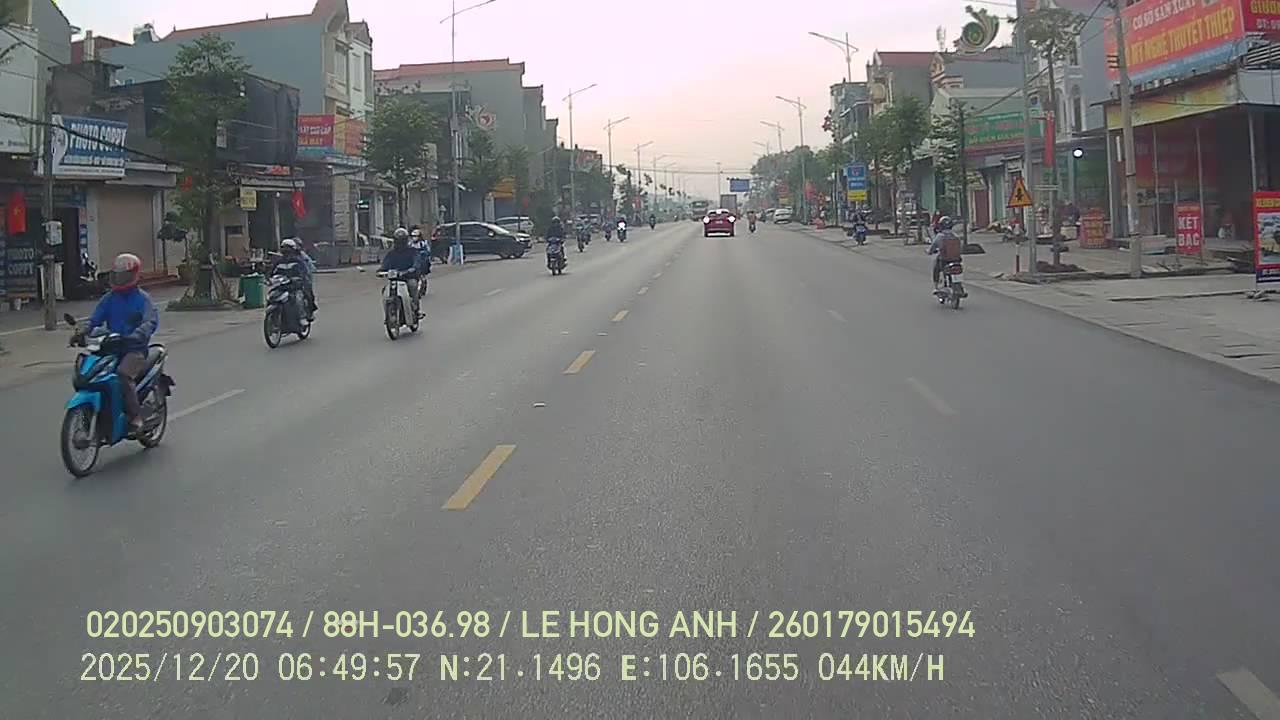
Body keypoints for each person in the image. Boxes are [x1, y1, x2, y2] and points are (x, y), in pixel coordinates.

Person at [85, 253, 159, 435]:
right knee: (90, 373)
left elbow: (150, 321)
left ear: (134, 275)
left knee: (123, 375)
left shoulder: (143, 299)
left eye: (124, 276)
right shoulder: (109, 298)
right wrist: (83, 331)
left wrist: (138, 334)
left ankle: (135, 417)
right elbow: (94, 319)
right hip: (111, 347)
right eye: (118, 275)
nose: (120, 279)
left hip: (134, 349)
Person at [380, 228, 424, 317]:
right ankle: (389, 313)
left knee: (412, 285)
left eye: (402, 241)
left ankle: (416, 310)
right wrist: (381, 271)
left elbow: (417, 263)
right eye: (398, 241)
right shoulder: (392, 253)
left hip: (409, 277)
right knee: (385, 290)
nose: (400, 243)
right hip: (395, 279)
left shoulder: (412, 251)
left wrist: (412, 269)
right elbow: (385, 264)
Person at [280, 238, 316, 320]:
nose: (286, 252)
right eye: (284, 249)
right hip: (284, 282)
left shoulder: (301, 259)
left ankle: (308, 313)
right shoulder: (280, 260)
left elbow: (307, 270)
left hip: (299, 282)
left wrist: (301, 278)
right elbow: (273, 271)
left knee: (306, 295)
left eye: (288, 249)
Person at [928, 216, 963, 288]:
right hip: (956, 259)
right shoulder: (956, 236)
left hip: (944, 259)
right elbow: (960, 247)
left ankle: (936, 285)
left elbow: (932, 248)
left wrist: (929, 251)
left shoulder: (940, 236)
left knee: (936, 267)